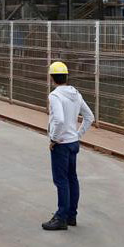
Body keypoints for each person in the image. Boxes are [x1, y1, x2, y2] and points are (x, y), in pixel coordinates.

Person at [42, 61, 95, 231]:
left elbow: (59, 119)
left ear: (52, 78)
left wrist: (54, 139)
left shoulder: (55, 96)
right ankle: (72, 215)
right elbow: (89, 117)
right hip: (73, 143)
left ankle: (61, 217)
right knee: (72, 178)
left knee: (61, 180)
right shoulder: (76, 94)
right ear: (66, 76)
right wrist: (77, 135)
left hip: (62, 144)